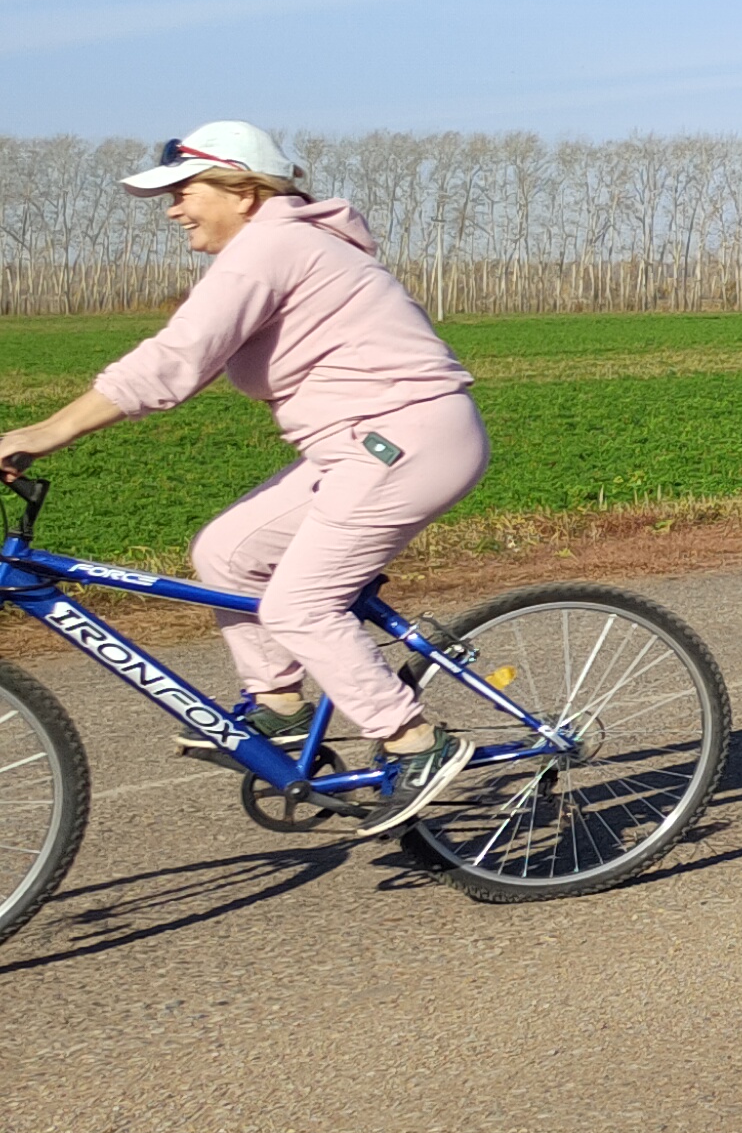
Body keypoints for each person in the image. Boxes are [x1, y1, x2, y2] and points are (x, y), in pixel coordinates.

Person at [0, 123, 484, 831]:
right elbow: (186, 366)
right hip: (356, 446)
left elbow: (174, 361)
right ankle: (283, 712)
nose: (172, 209)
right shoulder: (273, 246)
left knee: (298, 605)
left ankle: (416, 742)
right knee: (228, 553)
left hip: (406, 439)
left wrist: (42, 434)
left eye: (183, 191)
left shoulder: (273, 245)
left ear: (243, 189)